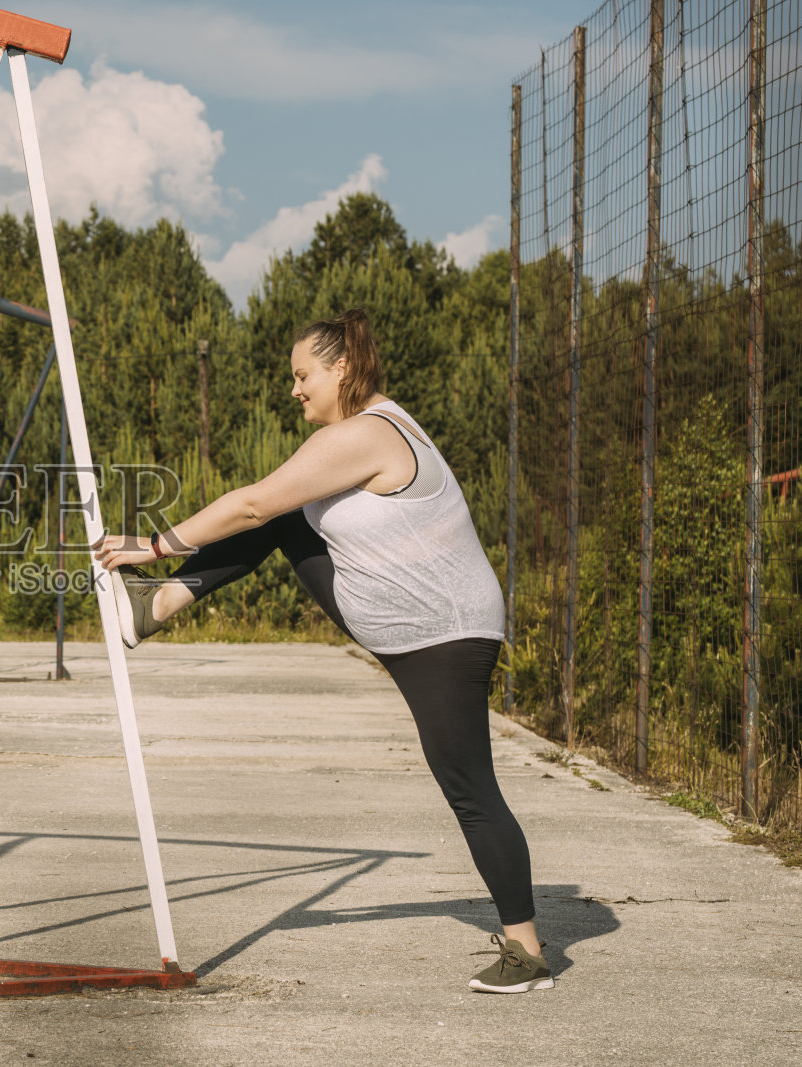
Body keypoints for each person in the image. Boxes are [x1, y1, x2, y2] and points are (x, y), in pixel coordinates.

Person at [91, 307, 552, 994]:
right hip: (412, 620)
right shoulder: (369, 428)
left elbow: (249, 505)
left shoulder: (366, 433)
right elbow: (265, 510)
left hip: (443, 635)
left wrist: (152, 545)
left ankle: (529, 952)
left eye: (304, 374)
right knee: (280, 516)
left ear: (341, 368)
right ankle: (153, 607)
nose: (295, 388)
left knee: (470, 789)